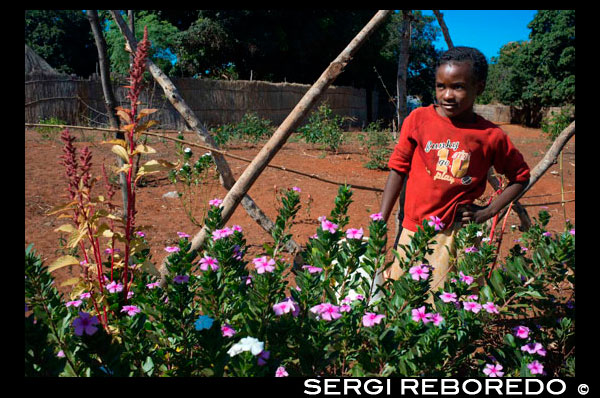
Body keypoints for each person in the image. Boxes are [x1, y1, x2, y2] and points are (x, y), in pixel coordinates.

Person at [379, 46, 530, 293]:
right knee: (404, 300)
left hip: (456, 235)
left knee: (449, 305)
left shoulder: (491, 136)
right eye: (441, 86)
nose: (447, 95)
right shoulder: (418, 120)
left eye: (458, 87)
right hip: (413, 229)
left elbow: (520, 177)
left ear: (478, 87)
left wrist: (488, 211)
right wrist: (380, 221)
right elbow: (398, 169)